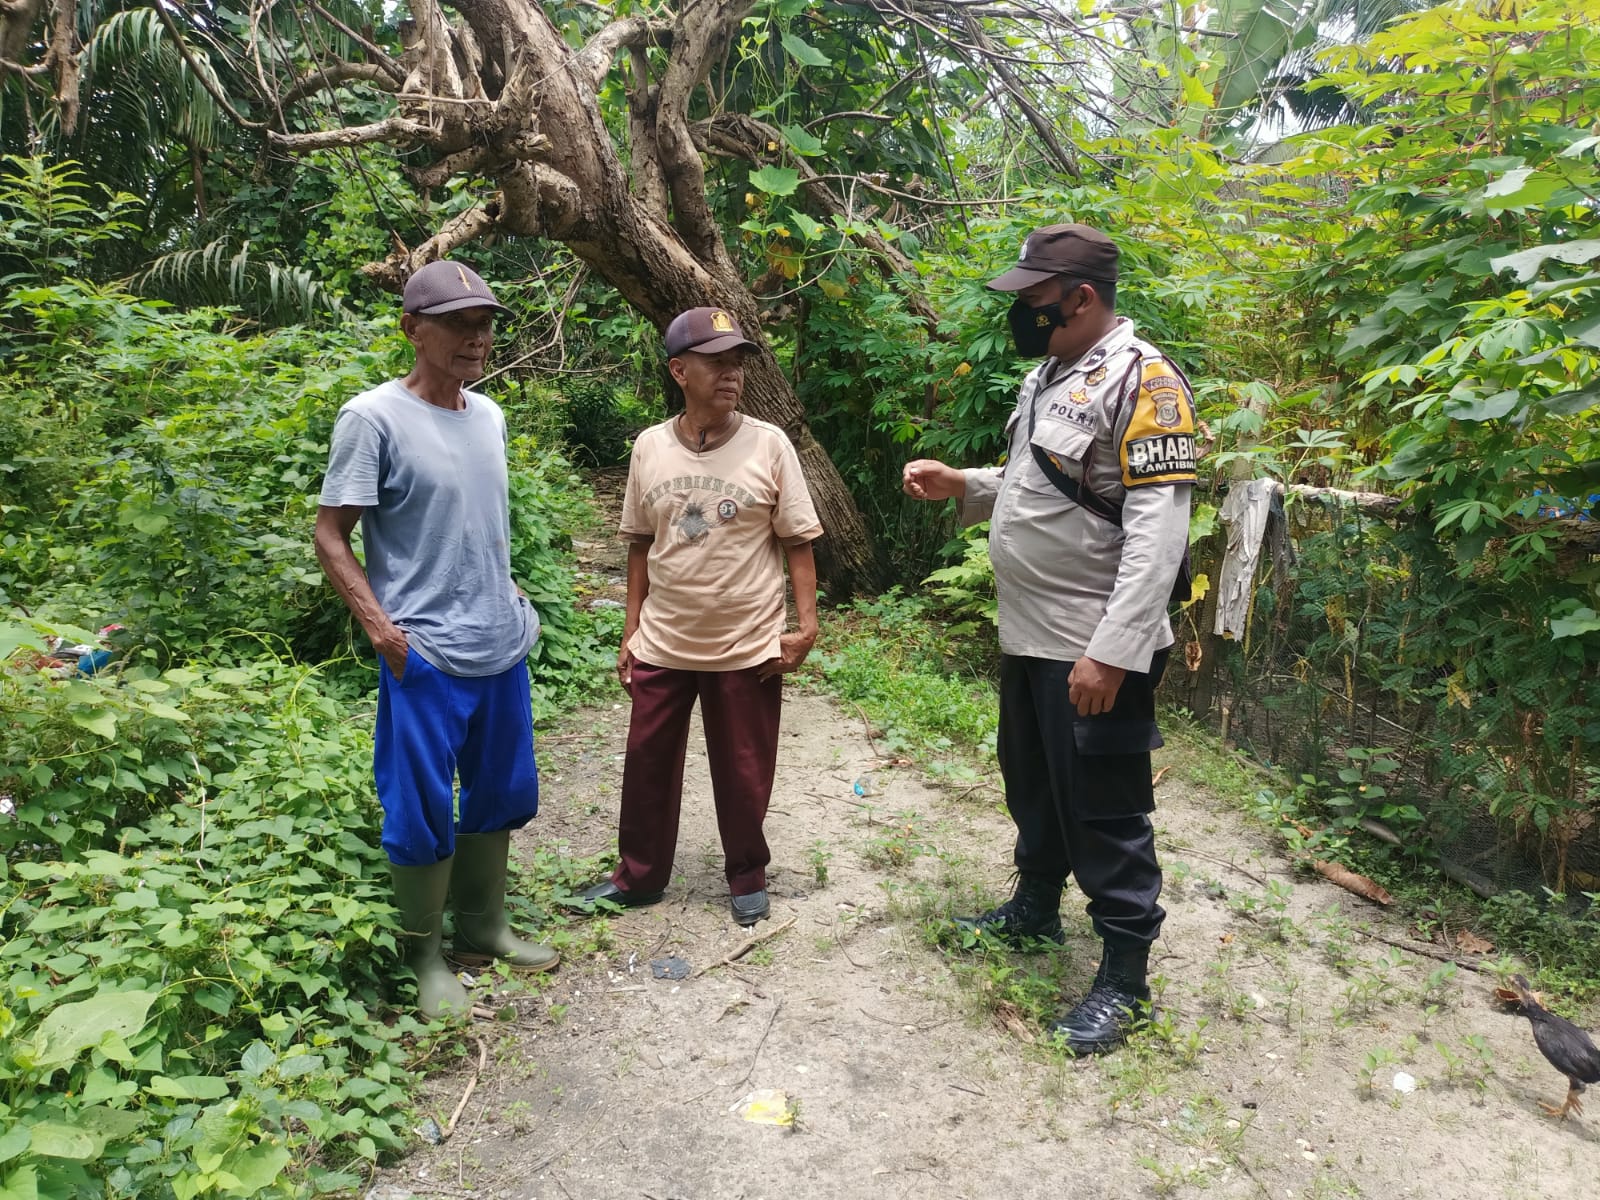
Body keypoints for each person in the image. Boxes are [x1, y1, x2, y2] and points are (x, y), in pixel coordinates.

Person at [902, 223, 1195, 1055]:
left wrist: (1113, 650)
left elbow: (1156, 532)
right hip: (1030, 632)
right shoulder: (1050, 376)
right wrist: (966, 484)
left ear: (1083, 297)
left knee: (1104, 809)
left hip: (1090, 643)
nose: (1024, 312)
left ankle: (1125, 981)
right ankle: (1035, 909)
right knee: (1033, 783)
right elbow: (1045, 483)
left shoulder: (1147, 383)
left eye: (1036, 299)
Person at [314, 259, 558, 1020]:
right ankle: (425, 955)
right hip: (426, 655)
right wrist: (383, 632)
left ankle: (484, 926)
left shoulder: (488, 415)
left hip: (499, 645)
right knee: (419, 804)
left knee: (502, 791)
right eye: (457, 324)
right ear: (412, 329)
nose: (475, 338)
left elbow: (478, 522)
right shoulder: (373, 418)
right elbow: (331, 535)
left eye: (483, 323)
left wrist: (512, 592)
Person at [576, 306, 822, 926]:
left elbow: (798, 540)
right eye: (716, 363)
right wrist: (629, 631)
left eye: (737, 362)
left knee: (743, 767)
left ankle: (746, 874)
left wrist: (806, 625)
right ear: (680, 370)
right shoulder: (649, 447)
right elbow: (638, 544)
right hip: (664, 639)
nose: (731, 374)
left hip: (745, 641)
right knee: (648, 763)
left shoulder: (768, 444)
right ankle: (639, 876)